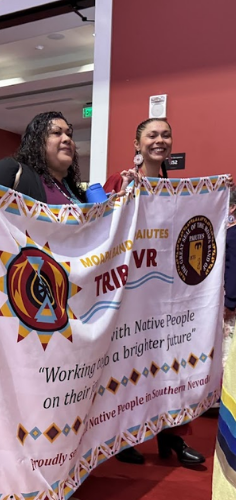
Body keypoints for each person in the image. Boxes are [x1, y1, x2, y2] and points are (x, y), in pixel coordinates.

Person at [0, 111, 87, 439]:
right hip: (2, 303)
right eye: (56, 133)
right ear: (37, 140)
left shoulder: (73, 191)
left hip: (51, 306)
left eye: (69, 133)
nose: (66, 139)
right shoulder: (12, 171)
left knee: (43, 387)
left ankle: (44, 452)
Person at [104, 118, 205, 465]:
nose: (159, 140)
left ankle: (171, 437)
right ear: (137, 144)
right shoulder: (119, 181)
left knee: (167, 365)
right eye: (152, 135)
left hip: (164, 295)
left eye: (166, 135)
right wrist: (120, 196)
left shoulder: (173, 189)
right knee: (128, 366)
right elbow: (100, 229)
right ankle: (122, 439)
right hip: (129, 293)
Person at [223, 190, 236, 367]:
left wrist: (230, 302)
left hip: (231, 302)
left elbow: (233, 268)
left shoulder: (233, 235)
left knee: (227, 350)